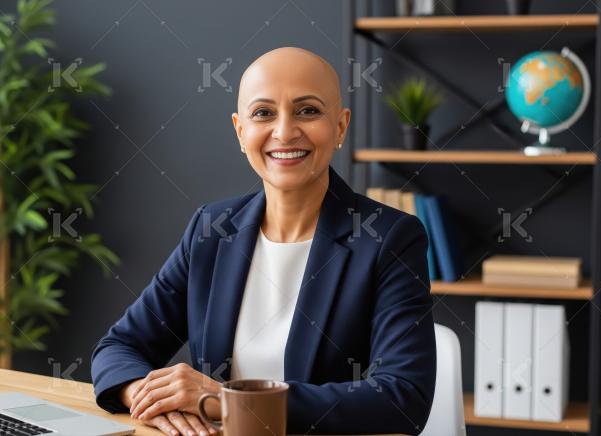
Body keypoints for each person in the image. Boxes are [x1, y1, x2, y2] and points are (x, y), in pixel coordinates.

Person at [91, 46, 436, 436]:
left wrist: (225, 401)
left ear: (340, 127)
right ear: (241, 131)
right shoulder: (212, 228)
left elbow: (403, 397)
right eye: (263, 113)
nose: (285, 131)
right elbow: (119, 347)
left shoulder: (388, 238)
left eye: (308, 110)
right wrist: (146, 395)